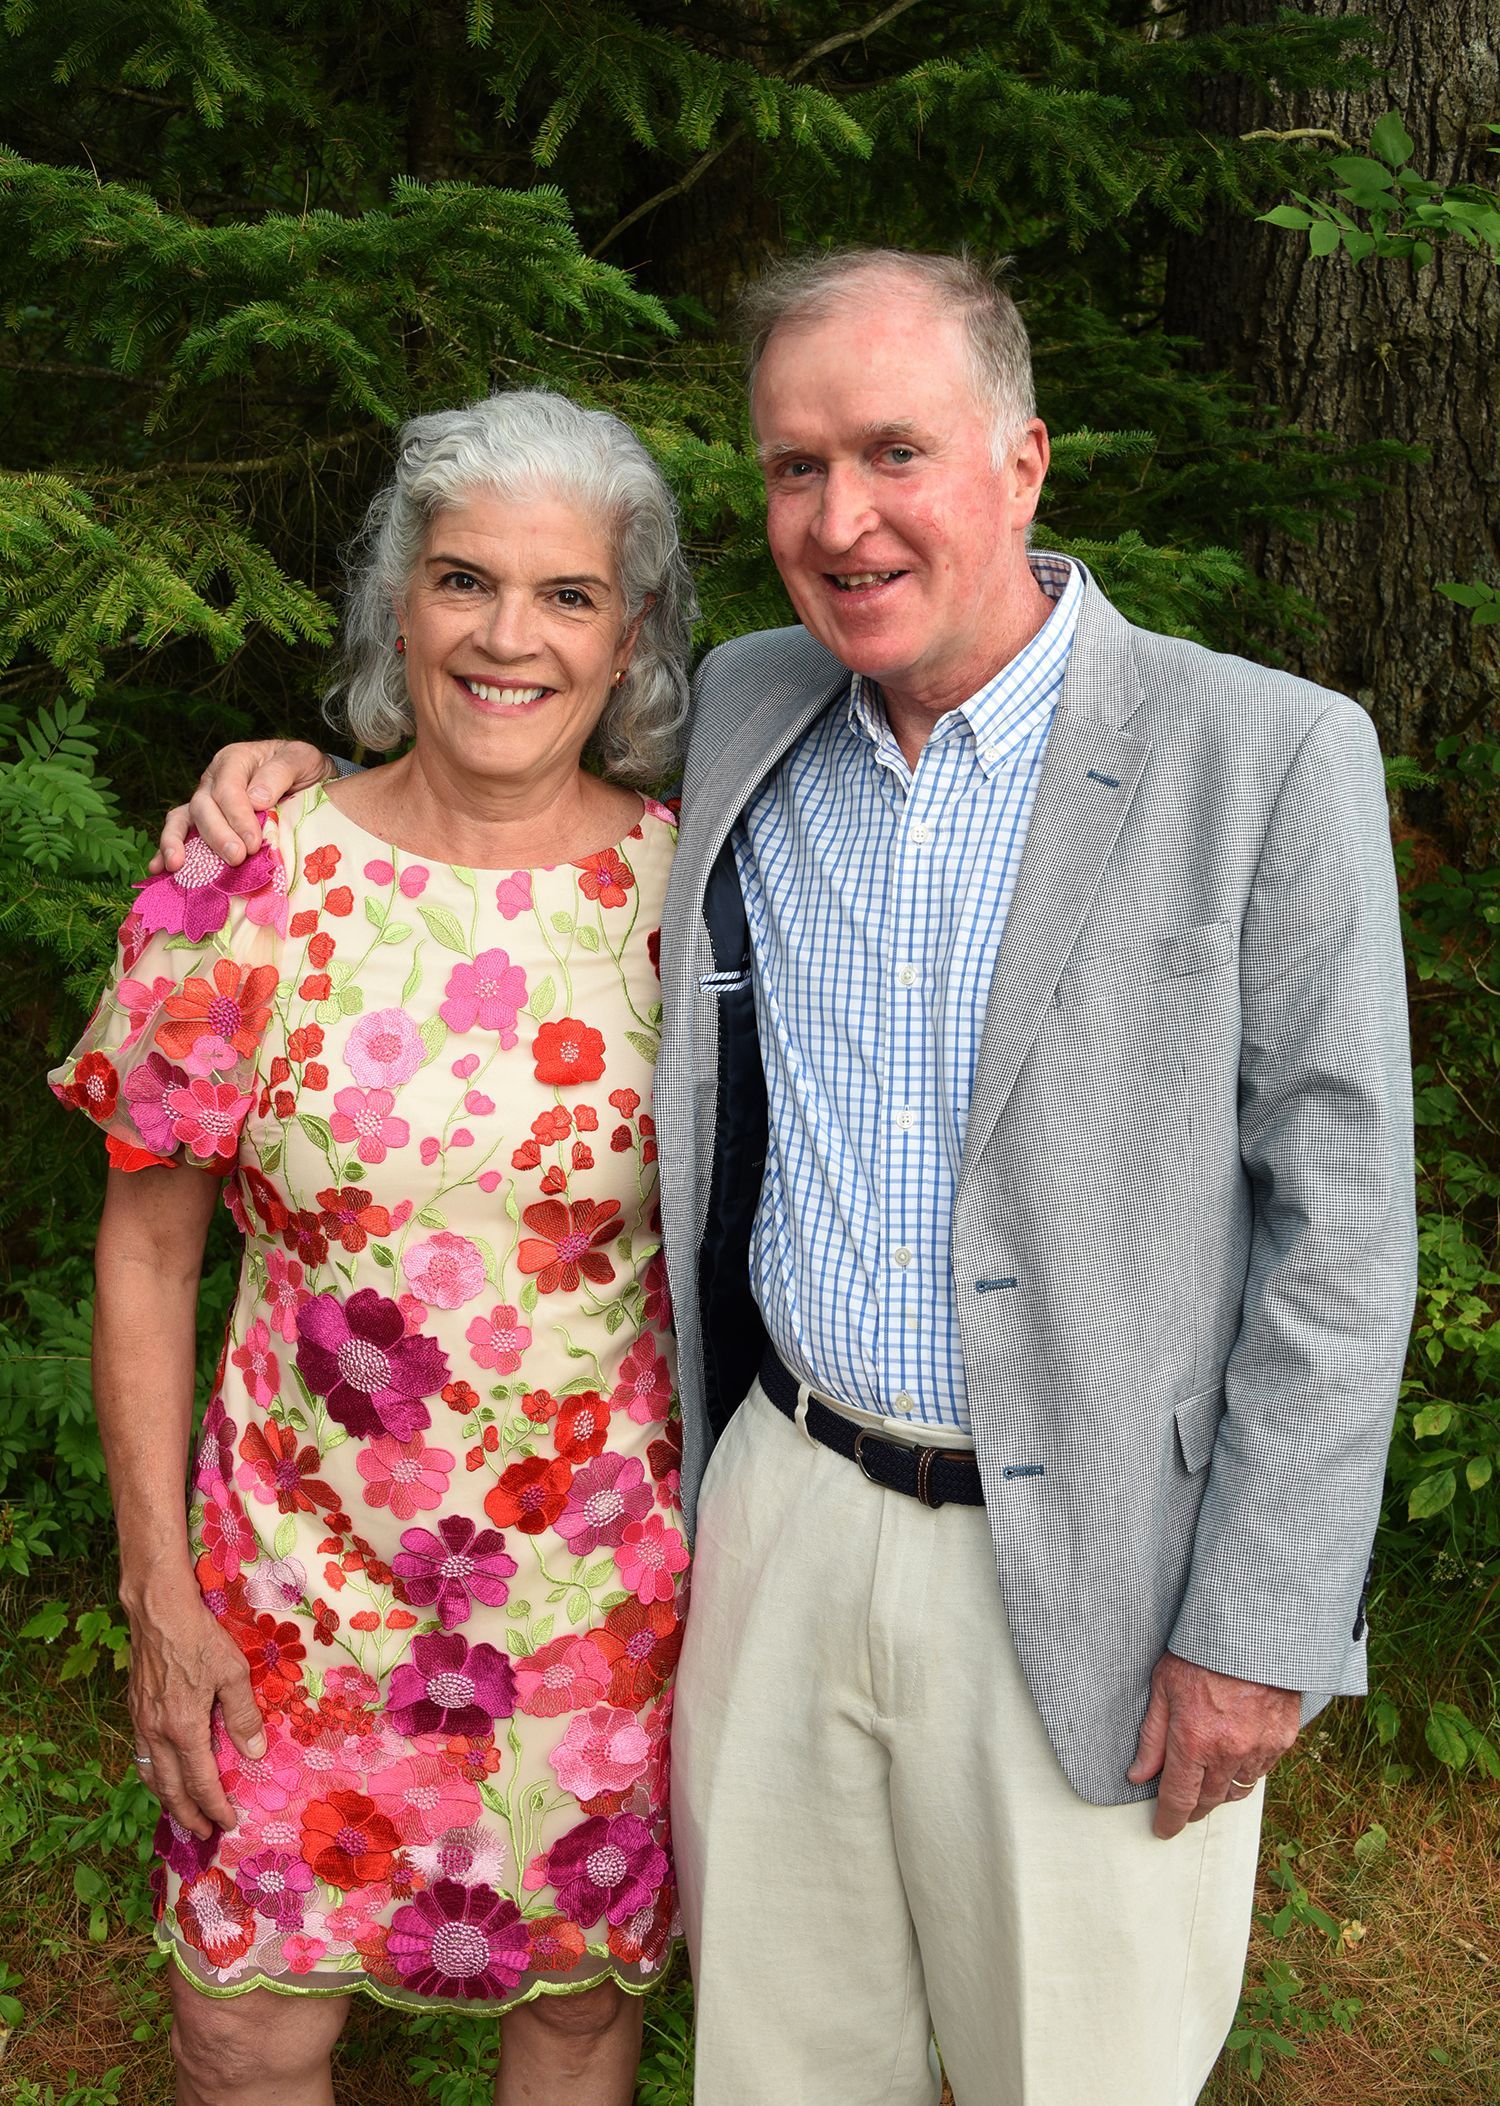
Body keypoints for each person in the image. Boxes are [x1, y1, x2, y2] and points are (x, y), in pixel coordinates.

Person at [158, 249, 1416, 2106]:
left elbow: (1342, 1234)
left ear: (1024, 461)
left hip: (1090, 1562)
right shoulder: (754, 712)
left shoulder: (1267, 753)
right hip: (779, 1520)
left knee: (1068, 2072)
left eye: (894, 452)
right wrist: (272, 770)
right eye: (793, 467)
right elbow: (496, 744)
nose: (842, 519)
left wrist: (1260, 1620)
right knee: (782, 2067)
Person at [52, 388, 698, 2106]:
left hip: (596, 1612)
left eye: (566, 595)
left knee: (569, 2014)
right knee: (244, 2030)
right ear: (394, 604)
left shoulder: (699, 899)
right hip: (288, 1601)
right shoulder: (242, 883)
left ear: (629, 631)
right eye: (464, 581)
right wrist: (157, 1597)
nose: (509, 636)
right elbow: (146, 1253)